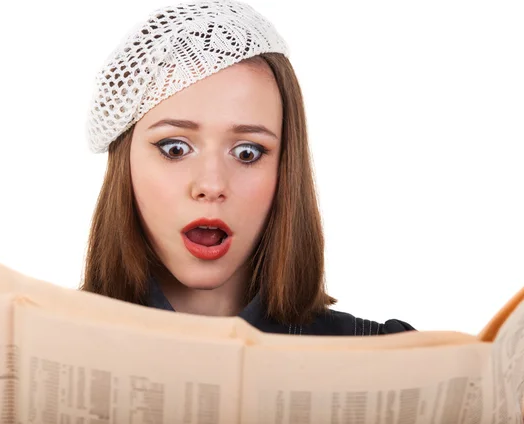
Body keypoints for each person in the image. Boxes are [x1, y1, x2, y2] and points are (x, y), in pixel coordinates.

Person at [80, 0, 415, 336]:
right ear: (125, 163)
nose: (211, 185)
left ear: (286, 168)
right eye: (175, 148)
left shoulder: (387, 351)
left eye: (247, 153)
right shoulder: (38, 345)